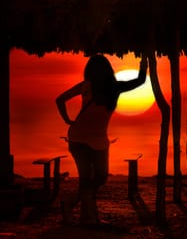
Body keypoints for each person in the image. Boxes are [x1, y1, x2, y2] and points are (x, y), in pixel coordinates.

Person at [56, 53, 148, 226]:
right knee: (88, 179)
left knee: (99, 177)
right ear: (108, 70)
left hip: (90, 138)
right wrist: (144, 66)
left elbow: (60, 100)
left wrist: (67, 120)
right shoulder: (110, 87)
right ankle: (89, 218)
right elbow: (140, 81)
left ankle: (71, 205)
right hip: (81, 140)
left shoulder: (91, 86)